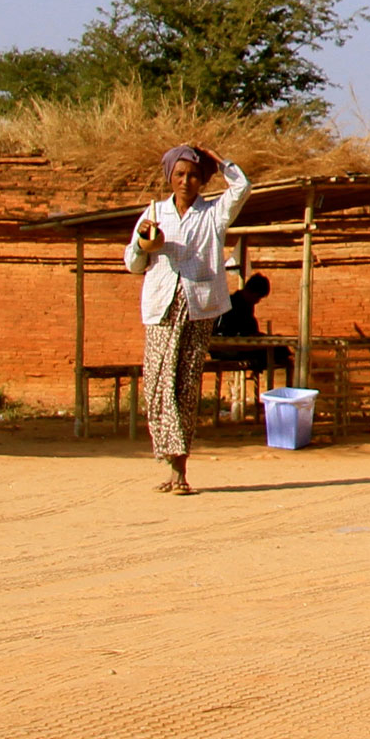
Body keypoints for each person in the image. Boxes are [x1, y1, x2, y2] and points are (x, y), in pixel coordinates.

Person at [123, 145, 251, 495]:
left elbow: (242, 188)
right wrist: (142, 242)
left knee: (184, 386)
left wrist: (220, 160)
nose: (186, 181)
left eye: (193, 175)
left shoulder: (214, 214)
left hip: (197, 308)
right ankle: (169, 461)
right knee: (157, 385)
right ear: (169, 177)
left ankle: (180, 469)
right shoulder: (154, 213)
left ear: (202, 180)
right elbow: (133, 264)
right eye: (179, 175)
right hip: (161, 309)